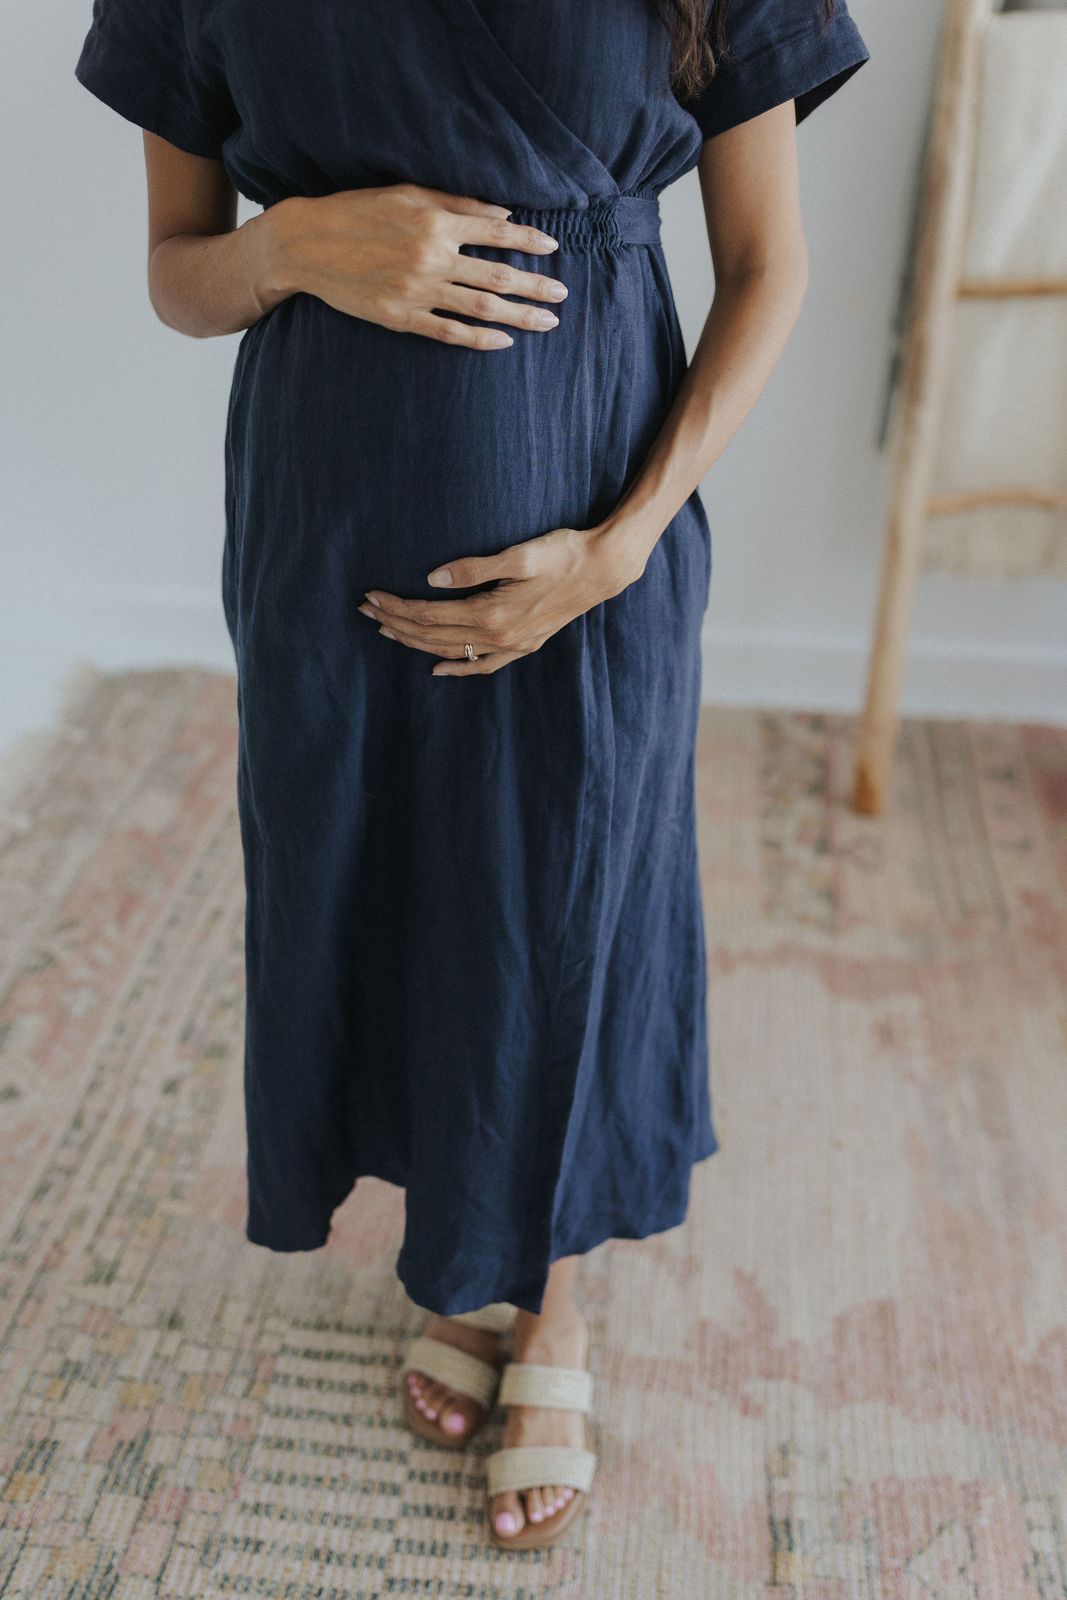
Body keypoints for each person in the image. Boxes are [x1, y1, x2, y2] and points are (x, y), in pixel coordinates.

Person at [74, 0, 870, 1551]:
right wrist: (296, 247)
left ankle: (554, 1303)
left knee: (570, 900)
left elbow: (769, 266)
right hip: (325, 522)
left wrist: (626, 544)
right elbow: (181, 268)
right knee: (380, 889)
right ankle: (464, 1242)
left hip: (601, 521)